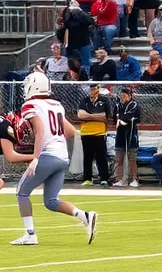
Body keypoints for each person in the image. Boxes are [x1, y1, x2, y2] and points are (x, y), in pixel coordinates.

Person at [10, 71, 98, 245]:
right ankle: (85, 216)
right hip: (62, 156)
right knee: (51, 202)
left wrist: (35, 156)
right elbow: (71, 131)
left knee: (22, 192)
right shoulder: (56, 104)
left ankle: (30, 234)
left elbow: (41, 131)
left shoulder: (30, 105)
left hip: (47, 155)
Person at [112, 86, 141, 187]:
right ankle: (120, 179)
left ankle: (134, 179)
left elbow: (129, 117)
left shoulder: (134, 105)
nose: (122, 98)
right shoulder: (118, 105)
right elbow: (115, 117)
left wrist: (122, 120)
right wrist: (120, 121)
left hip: (131, 135)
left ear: (129, 96)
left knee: (132, 158)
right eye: (121, 96)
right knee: (119, 158)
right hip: (120, 135)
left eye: (124, 96)